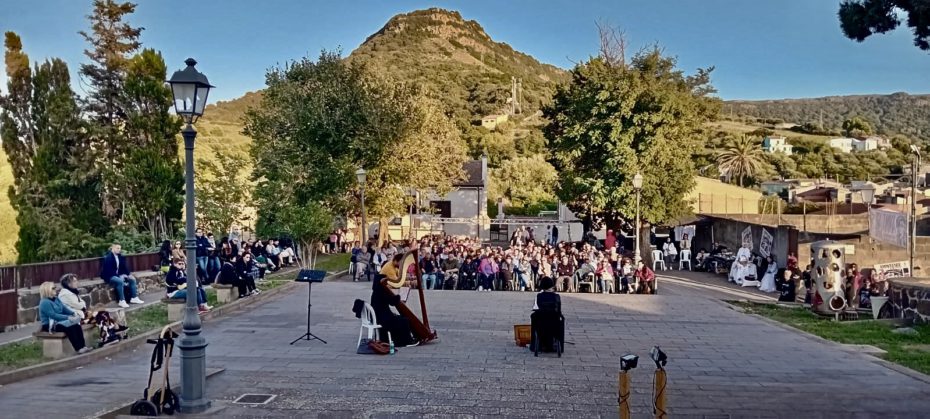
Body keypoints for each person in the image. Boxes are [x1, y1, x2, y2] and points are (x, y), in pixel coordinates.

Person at [371, 260, 419, 348]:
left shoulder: (376, 290)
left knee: (400, 318)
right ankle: (407, 341)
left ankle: (403, 339)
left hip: (379, 315)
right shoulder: (382, 290)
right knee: (404, 321)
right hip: (383, 318)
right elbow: (393, 302)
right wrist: (399, 296)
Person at [38, 282, 92, 354]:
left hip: (60, 322)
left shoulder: (56, 299)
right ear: (47, 290)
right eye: (53, 288)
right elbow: (53, 315)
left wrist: (73, 313)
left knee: (77, 326)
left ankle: (83, 346)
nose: (56, 289)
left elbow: (64, 309)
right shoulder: (44, 302)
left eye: (55, 287)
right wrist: (68, 317)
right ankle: (78, 349)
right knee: (70, 328)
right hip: (50, 325)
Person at [100, 243, 144, 308]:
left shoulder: (120, 257)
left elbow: (124, 267)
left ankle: (134, 298)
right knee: (120, 281)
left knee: (132, 279)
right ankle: (121, 301)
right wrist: (120, 276)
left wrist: (127, 274)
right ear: (113, 248)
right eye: (117, 248)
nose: (119, 250)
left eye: (120, 248)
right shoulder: (108, 257)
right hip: (109, 276)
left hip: (118, 275)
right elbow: (109, 271)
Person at [530, 276, 563, 353]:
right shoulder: (556, 296)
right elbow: (559, 310)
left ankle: (534, 344)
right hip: (554, 325)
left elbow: (537, 307)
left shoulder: (539, 296)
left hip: (541, 325)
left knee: (534, 316)